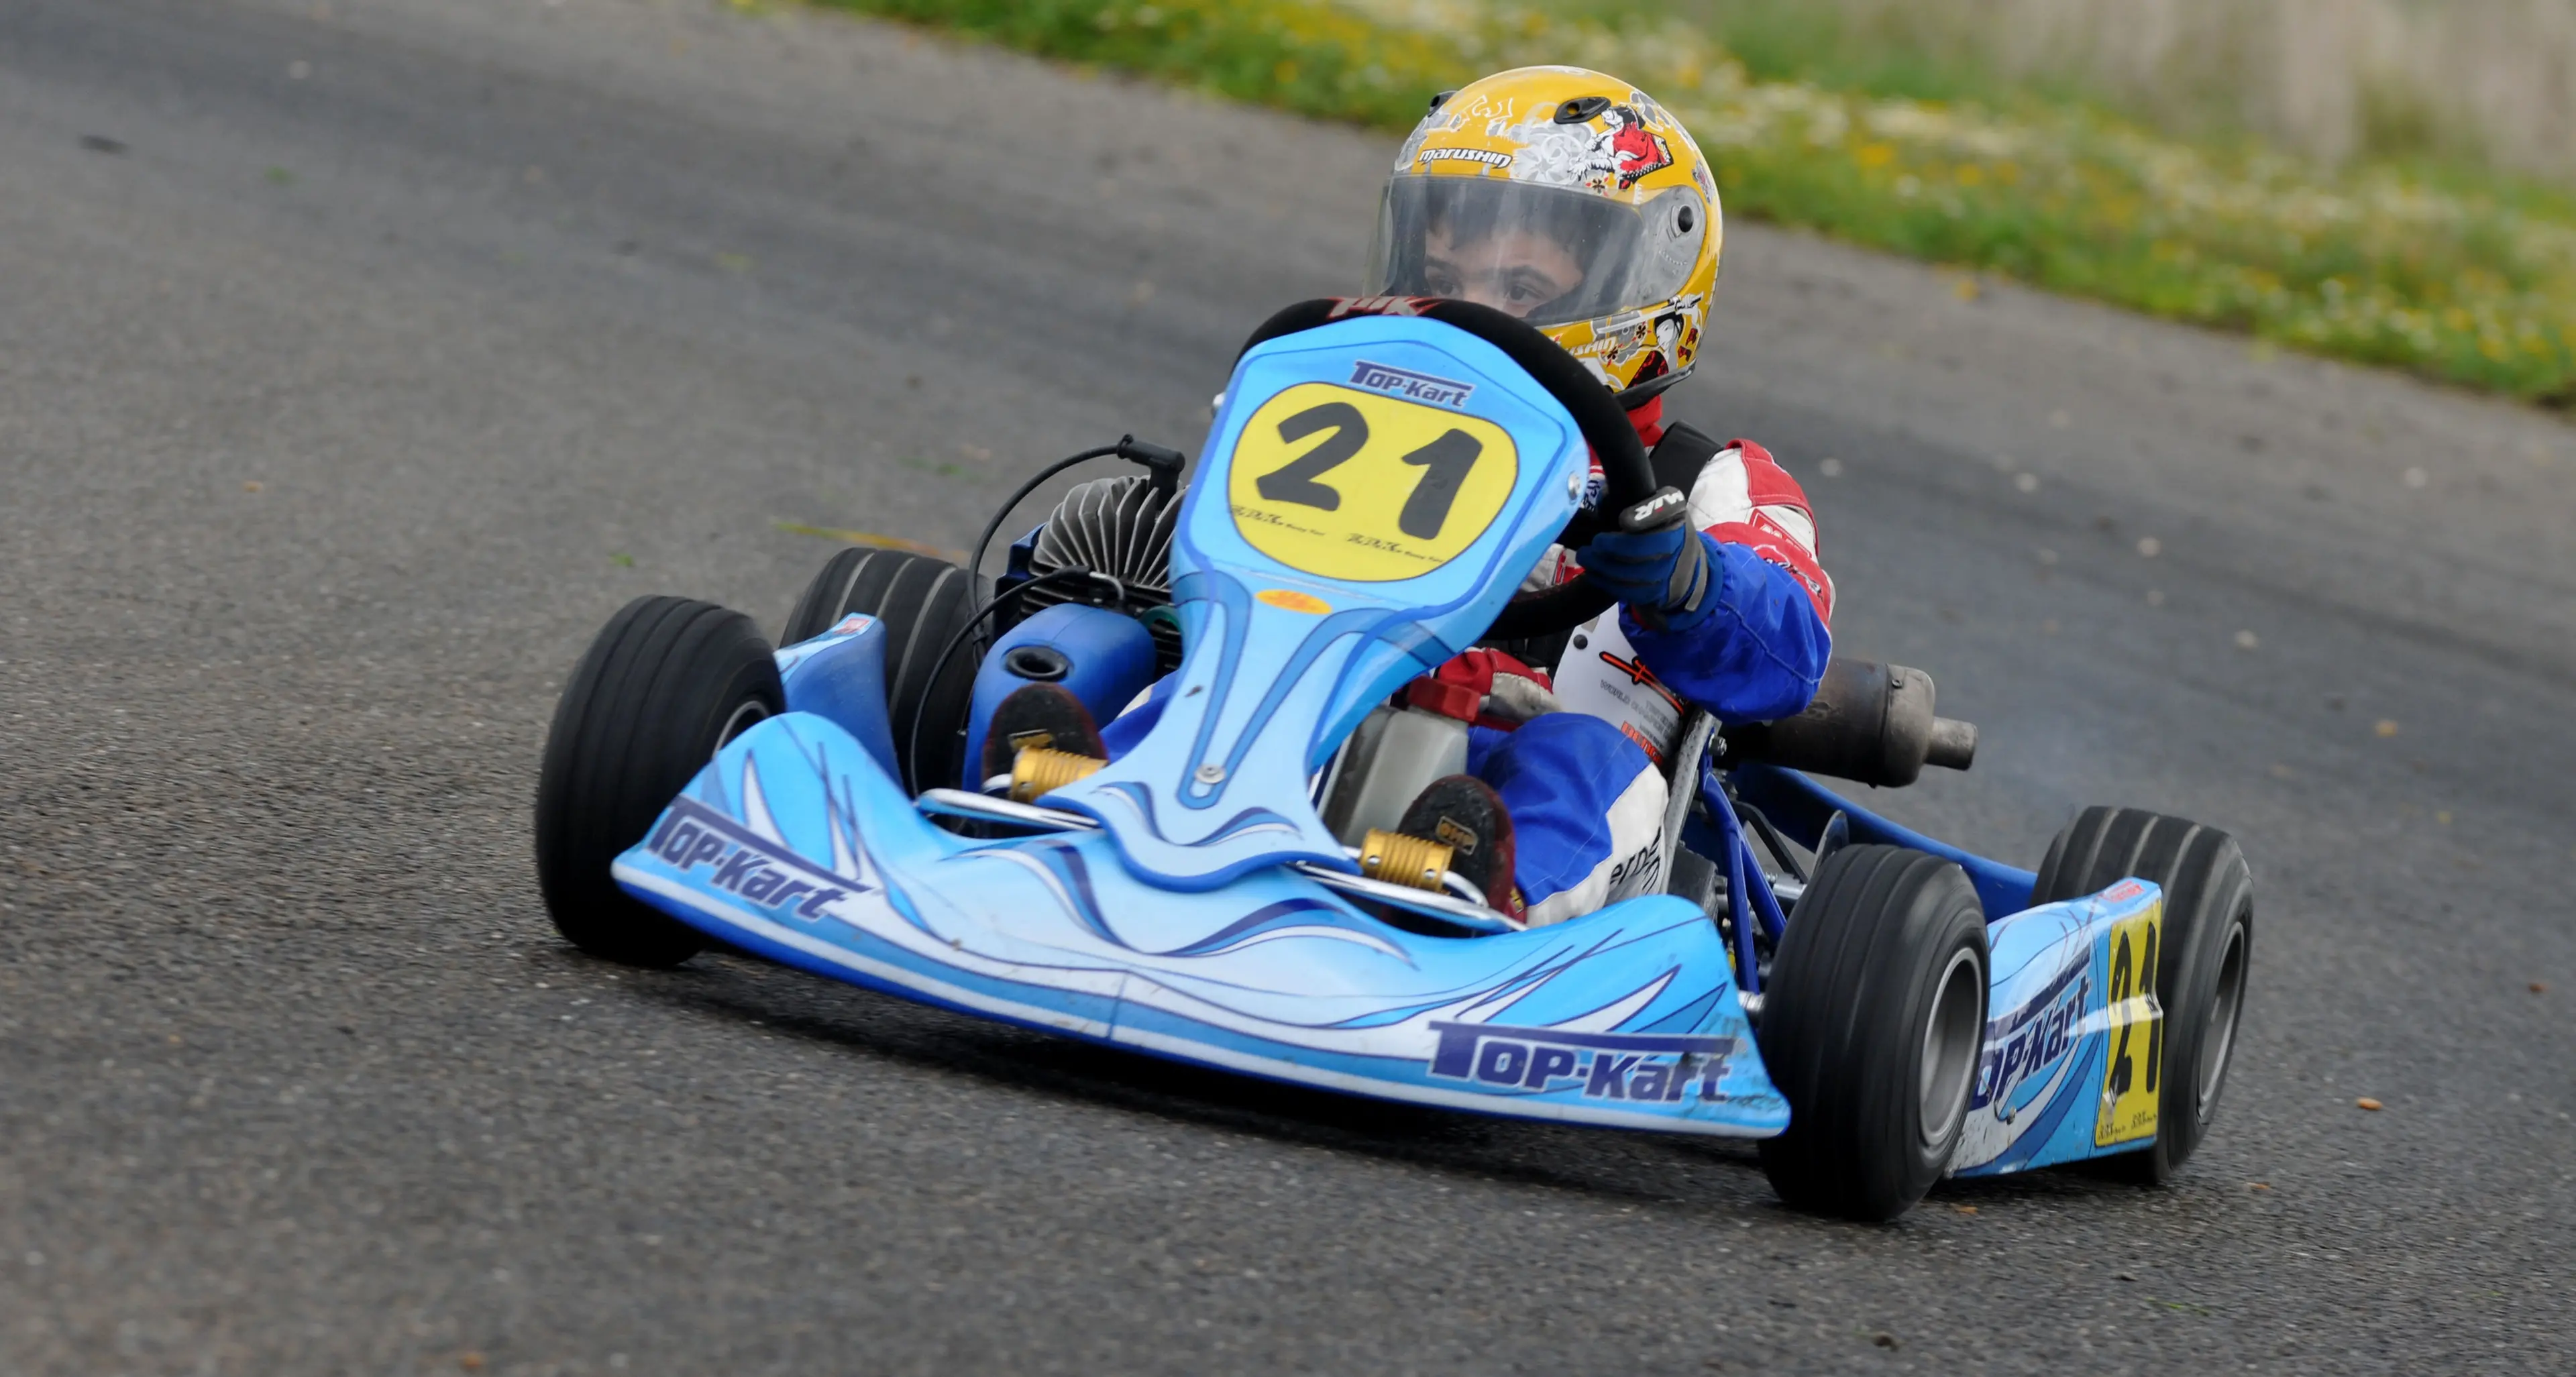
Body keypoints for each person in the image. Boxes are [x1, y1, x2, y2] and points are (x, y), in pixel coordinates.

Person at [993, 67, 1834, 926]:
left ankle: (1468, 901)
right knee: (1224, 676)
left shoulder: (1707, 479)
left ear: (1647, 285)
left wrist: (1689, 583)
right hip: (1339, 694)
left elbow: (1792, 652)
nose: (1472, 312)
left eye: (1517, 292)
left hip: (1540, 770)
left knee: (1577, 759)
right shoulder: (1362, 410)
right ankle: (1088, 804)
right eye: (1444, 277)